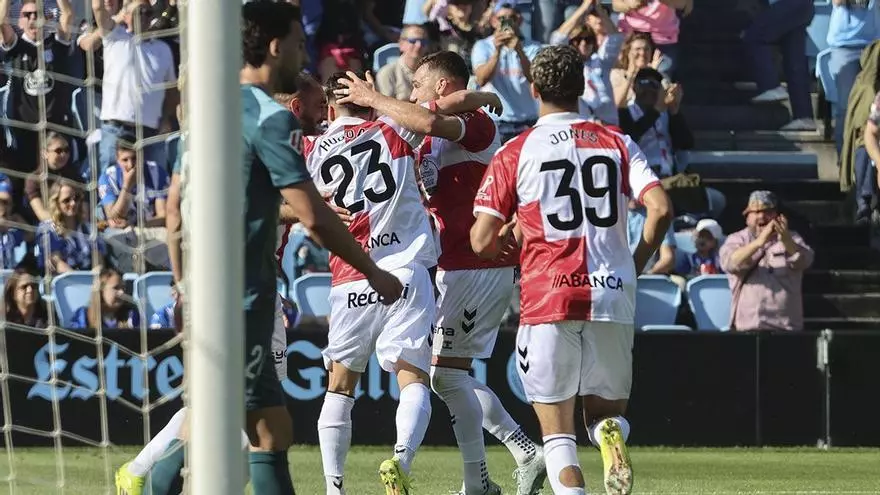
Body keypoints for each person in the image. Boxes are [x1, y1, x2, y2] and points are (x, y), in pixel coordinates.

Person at [470, 45, 673, 495]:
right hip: (613, 291)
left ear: (533, 88)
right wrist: (634, 264)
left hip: (548, 295)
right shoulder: (619, 142)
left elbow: (481, 240)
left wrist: (512, 234)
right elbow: (659, 209)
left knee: (557, 435)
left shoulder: (516, 150)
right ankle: (607, 435)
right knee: (604, 414)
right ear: (583, 88)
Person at [339, 50, 544, 495]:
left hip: (478, 264)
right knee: (447, 375)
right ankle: (501, 468)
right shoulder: (424, 137)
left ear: (442, 87)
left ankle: (502, 466)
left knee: (447, 375)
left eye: (417, 84)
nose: (410, 92)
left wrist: (374, 97)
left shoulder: (478, 124)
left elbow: (435, 119)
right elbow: (417, 124)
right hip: (449, 265)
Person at [316, 68, 500, 494]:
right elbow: (440, 109)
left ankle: (333, 488)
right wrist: (479, 95)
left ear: (329, 108)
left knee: (339, 388)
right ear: (366, 95)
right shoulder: (392, 127)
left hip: (350, 275)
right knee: (413, 378)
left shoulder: (311, 149)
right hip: (405, 269)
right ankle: (400, 458)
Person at [719, 191, 814, 331]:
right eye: (756, 212)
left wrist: (787, 242)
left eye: (767, 211)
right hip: (748, 325)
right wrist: (759, 242)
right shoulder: (736, 239)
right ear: (747, 217)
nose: (762, 216)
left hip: (785, 326)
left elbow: (806, 261)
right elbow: (731, 263)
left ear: (777, 215)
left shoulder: (792, 238)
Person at [68, 267, 139, 330]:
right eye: (116, 288)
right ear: (101, 291)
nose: (122, 292)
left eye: (123, 288)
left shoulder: (131, 315)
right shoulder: (83, 316)